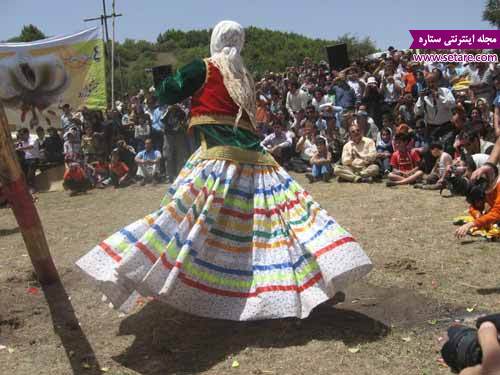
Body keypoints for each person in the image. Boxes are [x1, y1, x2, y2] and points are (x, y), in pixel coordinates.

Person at [77, 20, 372, 321]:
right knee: (281, 222)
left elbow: (167, 94)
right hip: (256, 160)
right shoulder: (244, 74)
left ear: (215, 40)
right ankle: (316, 278)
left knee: (186, 222)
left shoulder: (203, 67)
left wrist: (163, 68)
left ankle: (142, 272)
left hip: (217, 160)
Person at [455, 166, 499, 238]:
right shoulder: (487, 186)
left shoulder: (495, 186)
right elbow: (474, 206)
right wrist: (477, 214)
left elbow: (497, 212)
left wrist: (472, 224)